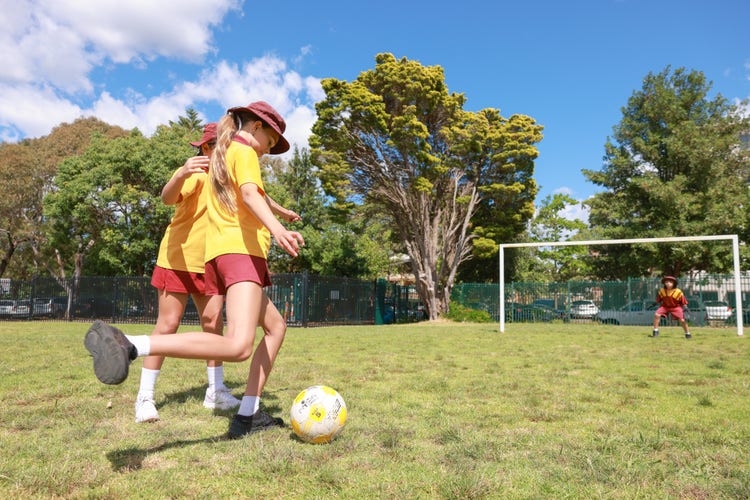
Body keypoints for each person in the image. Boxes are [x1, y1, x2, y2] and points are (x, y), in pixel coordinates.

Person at [85, 101, 305, 439]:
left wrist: (279, 210)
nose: (268, 151)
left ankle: (248, 413)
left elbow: (250, 190)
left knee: (276, 327)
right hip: (239, 252)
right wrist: (278, 229)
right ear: (257, 127)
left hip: (222, 254)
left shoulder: (223, 154)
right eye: (271, 143)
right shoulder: (243, 150)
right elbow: (247, 192)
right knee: (238, 346)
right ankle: (131, 345)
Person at [136, 123, 238, 424]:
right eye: (210, 146)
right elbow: (167, 198)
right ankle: (145, 397)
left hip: (210, 262)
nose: (216, 151)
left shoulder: (227, 180)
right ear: (205, 150)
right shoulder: (195, 175)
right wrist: (181, 172)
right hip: (177, 260)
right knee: (167, 325)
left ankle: (216, 390)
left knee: (213, 324)